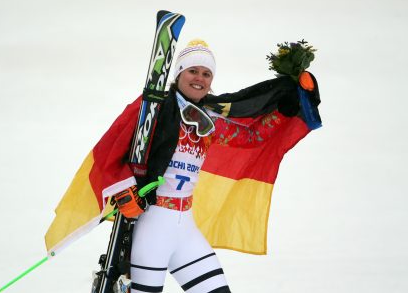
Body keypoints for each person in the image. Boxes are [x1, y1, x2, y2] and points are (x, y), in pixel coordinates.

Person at [109, 39, 320, 293]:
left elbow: (251, 137)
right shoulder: (155, 110)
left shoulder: (209, 120)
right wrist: (124, 187)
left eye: (206, 73)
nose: (199, 78)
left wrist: (283, 112)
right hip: (152, 230)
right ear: (178, 73)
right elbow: (116, 151)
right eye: (193, 71)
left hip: (185, 228)